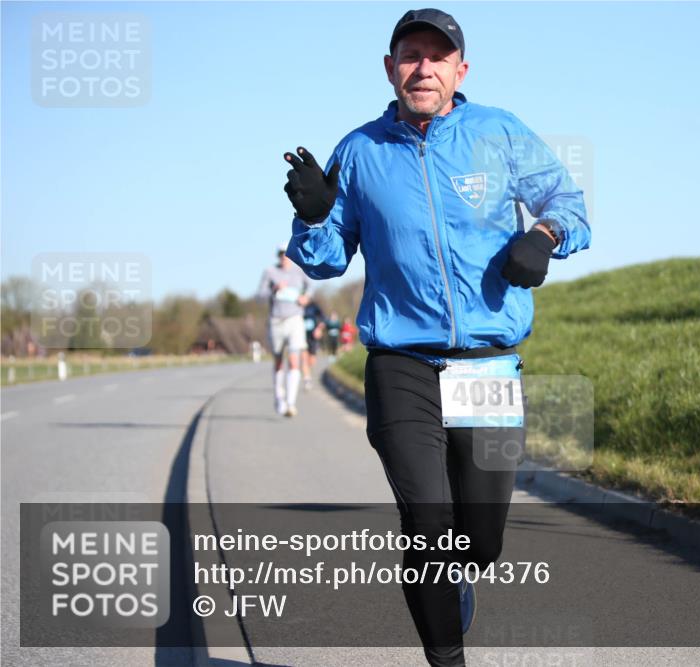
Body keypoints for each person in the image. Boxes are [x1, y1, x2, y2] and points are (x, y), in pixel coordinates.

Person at [282, 8, 589, 666]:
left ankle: (461, 577)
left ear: (460, 69)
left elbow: (570, 204)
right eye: (410, 55)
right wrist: (310, 217)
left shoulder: (498, 132)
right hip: (401, 364)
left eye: (437, 56)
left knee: (477, 542)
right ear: (390, 68)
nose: (423, 67)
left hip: (486, 363)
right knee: (428, 524)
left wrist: (543, 237)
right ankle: (446, 656)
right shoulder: (360, 151)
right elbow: (325, 257)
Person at [257, 243, 315, 417]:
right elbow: (259, 295)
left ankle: (290, 402)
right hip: (276, 319)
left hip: (294, 318)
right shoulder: (270, 272)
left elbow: (311, 287)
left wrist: (306, 297)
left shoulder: (299, 271)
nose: (284, 257)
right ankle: (279, 397)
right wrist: (273, 289)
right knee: (278, 360)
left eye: (287, 254)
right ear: (278, 256)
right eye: (281, 254)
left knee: (294, 358)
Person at [301, 296, 327, 391]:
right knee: (304, 357)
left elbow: (323, 319)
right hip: (301, 335)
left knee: (311, 359)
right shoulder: (297, 306)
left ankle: (308, 372)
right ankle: (307, 378)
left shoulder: (314, 307)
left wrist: (319, 329)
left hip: (312, 335)